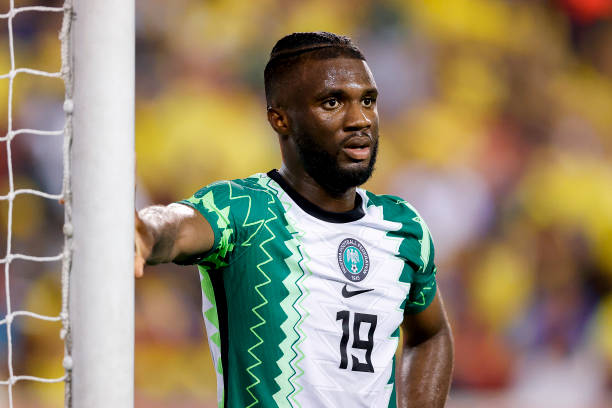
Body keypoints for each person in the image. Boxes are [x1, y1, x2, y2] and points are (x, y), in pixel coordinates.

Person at [135, 31, 453, 408]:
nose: (360, 120)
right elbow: (176, 226)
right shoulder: (244, 209)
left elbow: (431, 334)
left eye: (367, 101)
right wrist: (145, 232)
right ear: (280, 119)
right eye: (332, 102)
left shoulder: (403, 227)